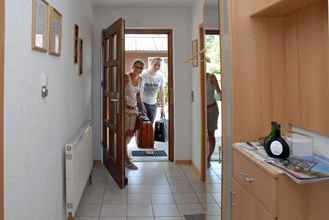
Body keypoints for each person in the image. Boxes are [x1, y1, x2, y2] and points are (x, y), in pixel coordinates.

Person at [124, 59, 145, 170]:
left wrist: (143, 109)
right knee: (124, 135)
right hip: (125, 111)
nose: (139, 69)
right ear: (133, 67)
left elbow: (138, 96)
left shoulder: (140, 79)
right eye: (137, 67)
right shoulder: (126, 77)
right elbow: (120, 93)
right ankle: (126, 159)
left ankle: (123, 156)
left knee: (130, 135)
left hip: (134, 111)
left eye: (141, 68)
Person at [140, 57, 165, 123]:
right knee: (143, 126)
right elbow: (140, 90)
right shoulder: (144, 74)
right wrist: (142, 105)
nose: (157, 67)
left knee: (150, 125)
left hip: (153, 104)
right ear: (151, 64)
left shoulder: (160, 76)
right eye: (155, 65)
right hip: (144, 103)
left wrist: (162, 108)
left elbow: (161, 92)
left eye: (159, 65)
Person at [206, 72, 222, 168]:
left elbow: (219, 92)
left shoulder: (211, 77)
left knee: (210, 134)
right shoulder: (196, 77)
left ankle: (208, 158)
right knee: (202, 136)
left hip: (211, 109)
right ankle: (203, 158)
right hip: (201, 111)